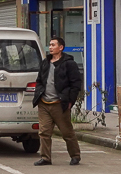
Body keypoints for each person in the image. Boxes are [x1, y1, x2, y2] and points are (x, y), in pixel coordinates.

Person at [30, 36, 83, 166]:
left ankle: (75, 155)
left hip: (60, 104)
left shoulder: (69, 64)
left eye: (53, 45)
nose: (50, 47)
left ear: (61, 47)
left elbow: (76, 84)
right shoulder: (45, 62)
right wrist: (39, 93)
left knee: (66, 132)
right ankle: (45, 158)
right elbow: (39, 80)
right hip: (44, 103)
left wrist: (70, 101)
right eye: (50, 45)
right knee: (44, 132)